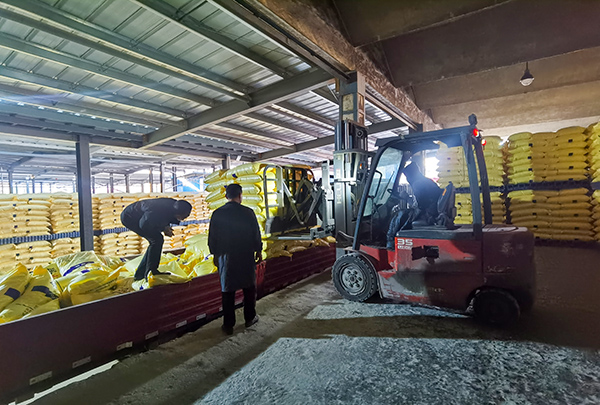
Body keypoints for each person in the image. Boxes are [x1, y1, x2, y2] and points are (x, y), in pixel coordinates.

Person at [209, 183, 262, 335]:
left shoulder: (217, 213)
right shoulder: (248, 212)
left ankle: (228, 325)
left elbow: (212, 237)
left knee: (228, 291)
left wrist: (215, 254)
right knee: (249, 288)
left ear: (226, 196)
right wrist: (258, 251)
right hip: (245, 255)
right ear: (241, 196)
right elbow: (255, 234)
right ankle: (250, 318)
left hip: (226, 257)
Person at [121, 198, 192, 280]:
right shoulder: (155, 212)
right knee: (156, 240)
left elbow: (164, 217)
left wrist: (166, 227)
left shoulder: (174, 206)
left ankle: (141, 274)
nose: (184, 219)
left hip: (144, 218)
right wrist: (163, 228)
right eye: (184, 216)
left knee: (156, 241)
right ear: (178, 213)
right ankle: (151, 271)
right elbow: (144, 225)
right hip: (131, 218)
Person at [386, 162, 443, 250]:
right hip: (433, 210)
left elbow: (419, 205)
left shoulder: (417, 184)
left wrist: (406, 197)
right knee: (403, 213)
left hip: (428, 214)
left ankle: (391, 242)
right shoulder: (427, 181)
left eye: (407, 176)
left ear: (410, 175)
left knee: (399, 214)